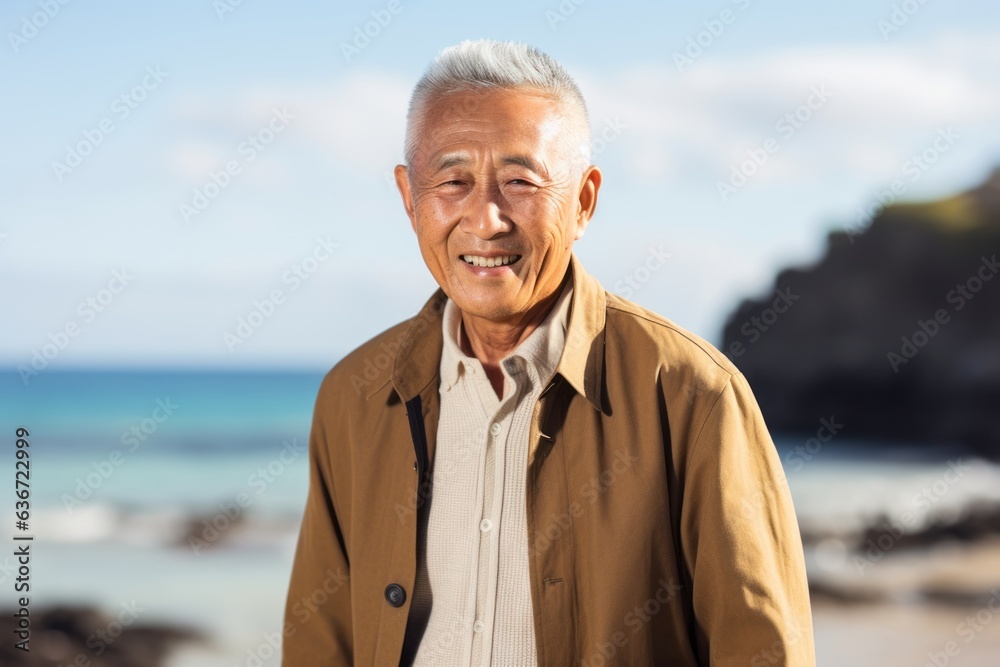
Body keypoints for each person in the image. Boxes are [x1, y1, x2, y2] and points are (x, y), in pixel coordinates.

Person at [282, 39, 815, 667]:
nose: (486, 219)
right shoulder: (355, 395)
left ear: (584, 200)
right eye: (452, 181)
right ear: (409, 198)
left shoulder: (691, 393)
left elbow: (761, 652)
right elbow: (320, 645)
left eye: (520, 182)